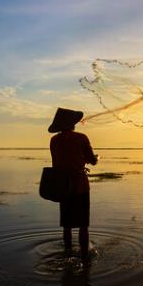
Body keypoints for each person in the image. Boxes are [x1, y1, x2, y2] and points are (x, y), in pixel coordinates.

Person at [48, 108, 97, 261]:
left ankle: (68, 254)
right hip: (80, 186)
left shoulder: (54, 140)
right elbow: (92, 160)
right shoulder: (82, 138)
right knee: (83, 225)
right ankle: (84, 258)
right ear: (72, 123)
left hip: (62, 186)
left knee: (67, 225)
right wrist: (94, 158)